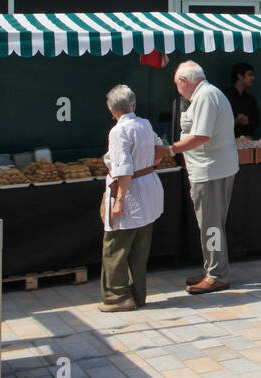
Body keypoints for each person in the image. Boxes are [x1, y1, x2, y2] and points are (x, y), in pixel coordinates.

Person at [156, 60, 238, 294]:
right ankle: (212, 268)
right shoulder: (207, 95)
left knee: (211, 225)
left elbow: (200, 136)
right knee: (210, 224)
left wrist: (169, 150)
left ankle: (216, 274)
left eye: (177, 85)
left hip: (211, 171)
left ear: (184, 81)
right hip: (210, 170)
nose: (178, 90)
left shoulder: (205, 97)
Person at [98, 84, 164, 313]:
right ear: (133, 105)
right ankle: (138, 295)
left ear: (111, 110)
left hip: (131, 190)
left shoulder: (118, 132)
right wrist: (147, 165)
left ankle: (118, 297)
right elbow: (159, 150)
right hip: (148, 187)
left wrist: (119, 200)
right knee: (139, 248)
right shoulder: (145, 124)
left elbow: (124, 169)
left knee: (115, 246)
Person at [225, 62, 260, 139]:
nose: (252, 78)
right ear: (240, 76)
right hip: (228, 142)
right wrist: (235, 121)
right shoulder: (224, 97)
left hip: (248, 142)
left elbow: (257, 122)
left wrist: (247, 122)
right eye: (250, 75)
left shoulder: (250, 99)